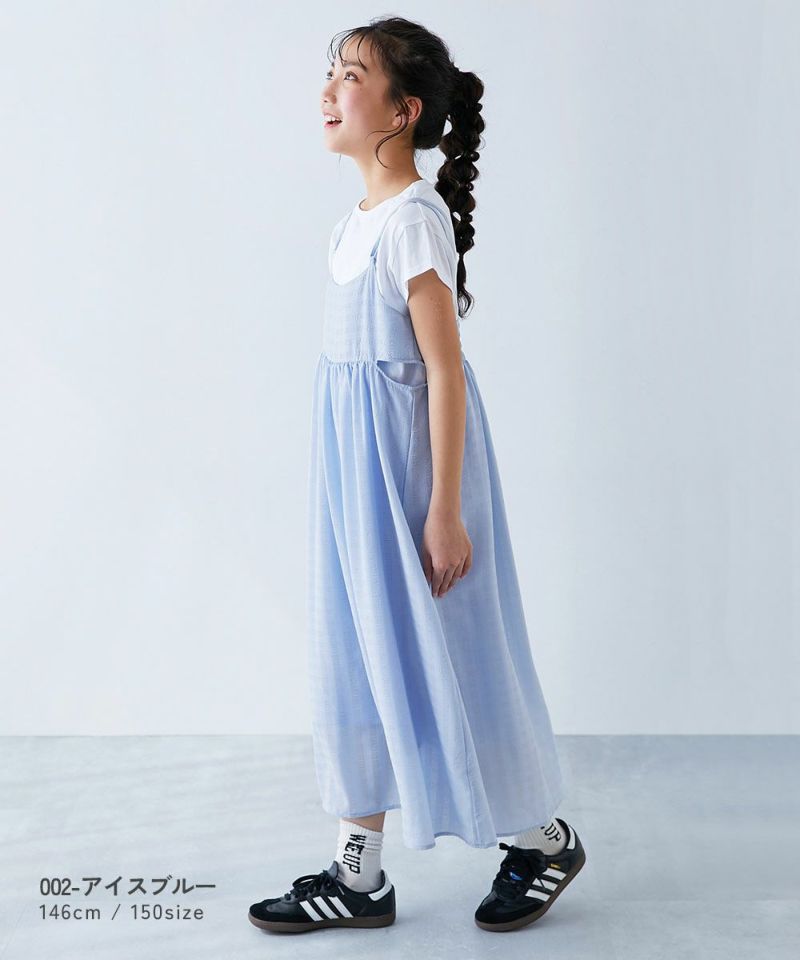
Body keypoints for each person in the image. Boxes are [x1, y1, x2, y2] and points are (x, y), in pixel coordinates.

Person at [249, 15, 586, 935]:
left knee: (457, 660)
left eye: (350, 76)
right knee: (355, 658)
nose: (328, 91)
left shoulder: (412, 221)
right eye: (331, 72)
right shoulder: (353, 225)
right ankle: (358, 876)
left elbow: (443, 371)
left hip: (414, 485)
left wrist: (444, 511)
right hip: (356, 485)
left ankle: (545, 839)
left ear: (400, 112)